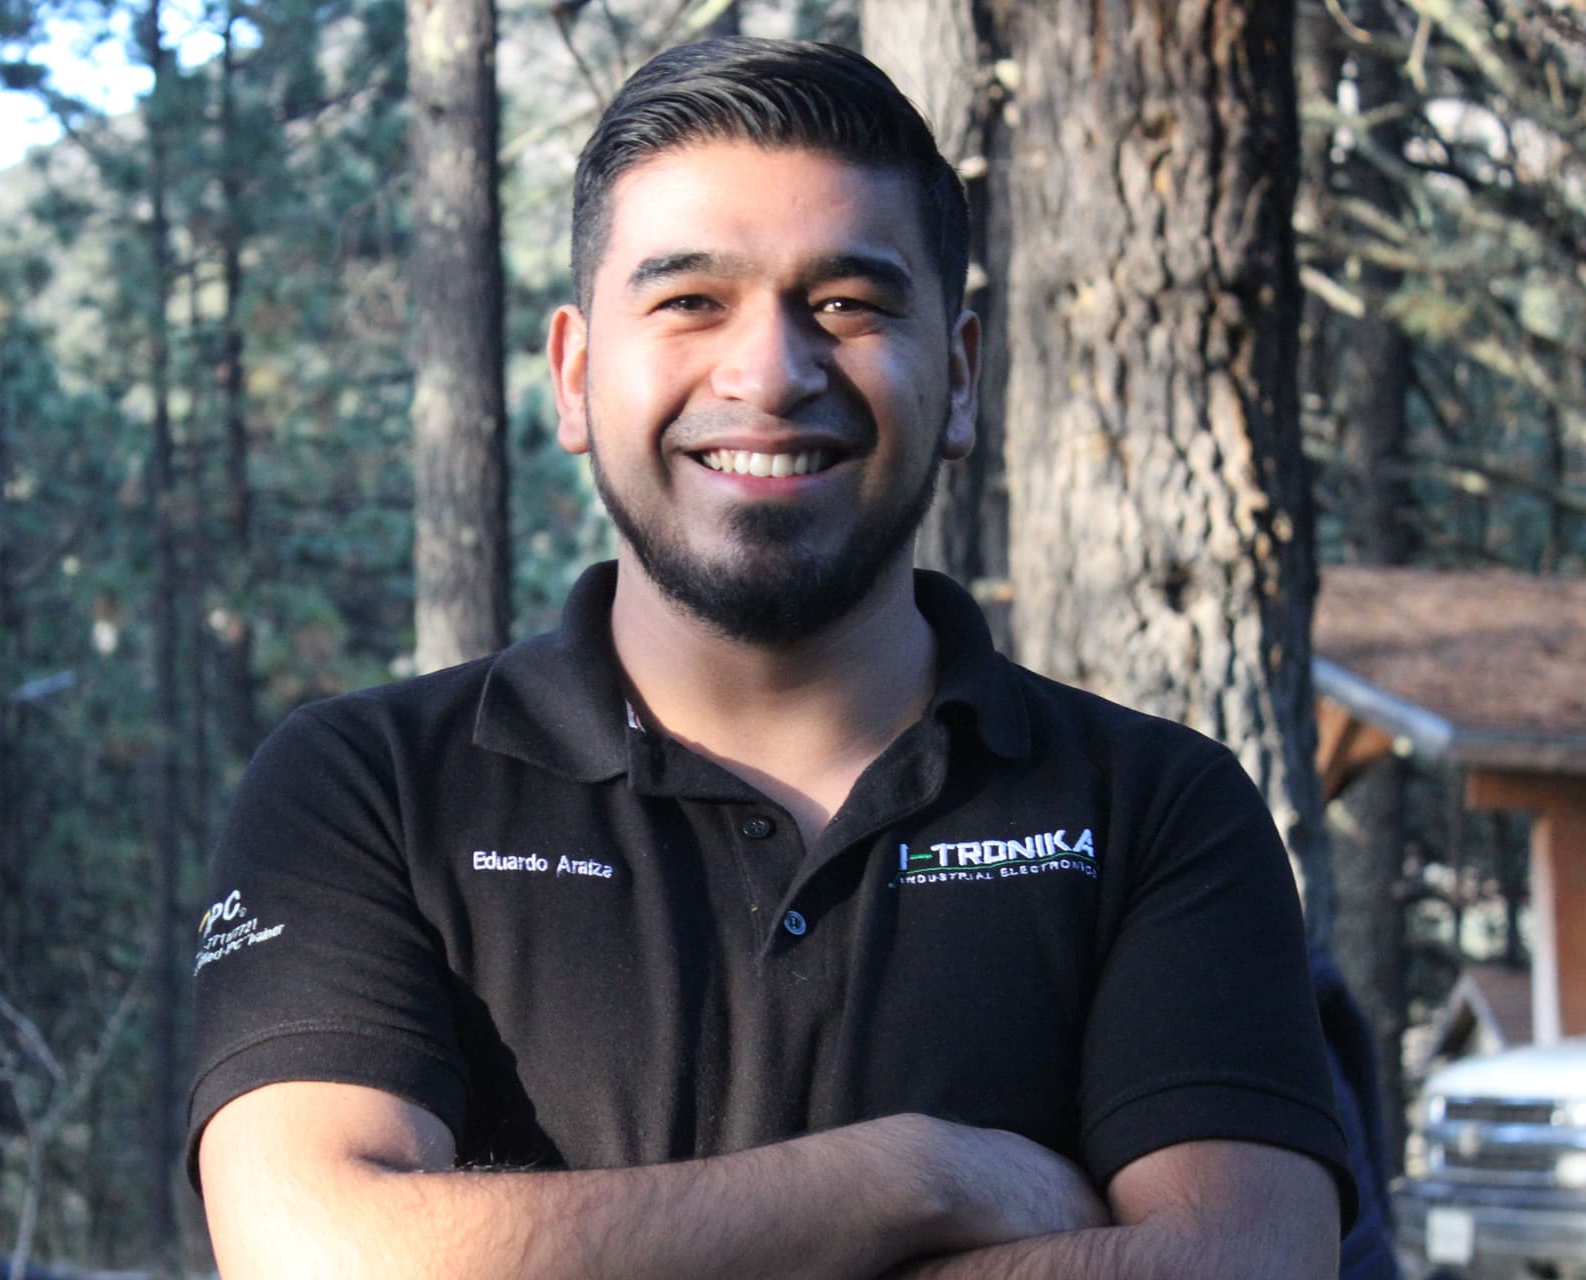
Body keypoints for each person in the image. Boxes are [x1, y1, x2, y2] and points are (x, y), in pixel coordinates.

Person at [189, 37, 1353, 1278]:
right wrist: (919, 1176)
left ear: (957, 379)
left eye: (845, 304)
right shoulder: (370, 789)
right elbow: (319, 1251)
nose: (770, 371)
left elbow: (1251, 1259)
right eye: (691, 300)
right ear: (578, 377)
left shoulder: (1155, 809)